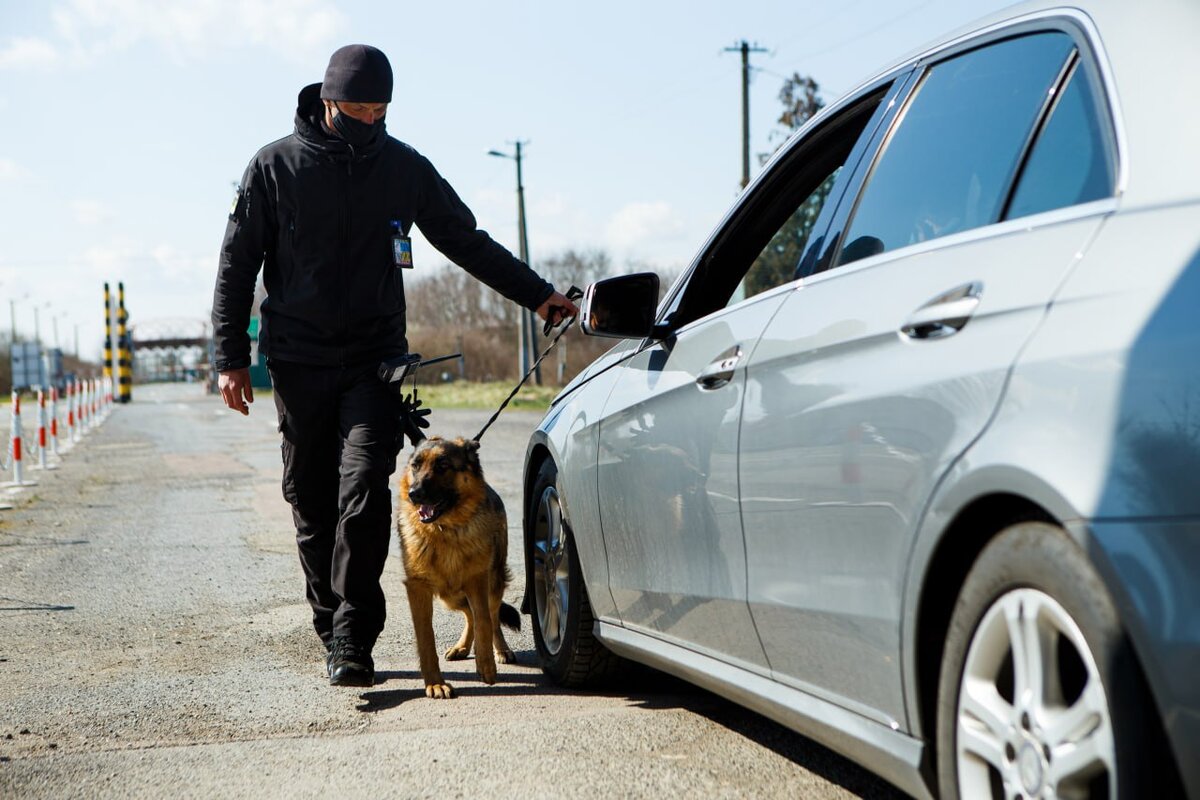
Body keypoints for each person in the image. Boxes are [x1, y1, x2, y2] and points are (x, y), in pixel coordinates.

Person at [211, 44, 578, 688]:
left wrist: (538, 294)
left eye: (380, 109)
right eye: (358, 107)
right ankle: (331, 622)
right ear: (328, 102)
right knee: (311, 499)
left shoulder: (403, 167)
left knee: (364, 493)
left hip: (377, 363)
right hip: (298, 360)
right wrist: (229, 357)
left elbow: (465, 240)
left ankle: (354, 634)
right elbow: (236, 264)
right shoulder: (274, 168)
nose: (370, 119)